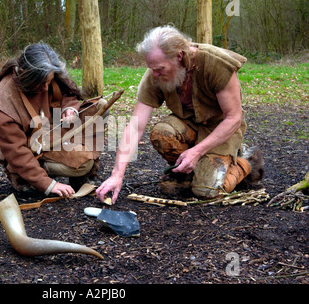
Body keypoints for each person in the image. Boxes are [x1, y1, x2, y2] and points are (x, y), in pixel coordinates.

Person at [96, 25, 264, 204]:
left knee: (206, 191)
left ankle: (246, 161)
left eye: (160, 68)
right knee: (162, 133)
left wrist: (197, 151)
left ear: (179, 56)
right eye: (152, 68)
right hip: (188, 125)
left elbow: (234, 118)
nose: (155, 74)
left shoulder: (216, 64)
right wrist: (117, 175)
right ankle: (190, 173)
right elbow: (135, 126)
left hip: (221, 128)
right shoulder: (155, 73)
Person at [0, 43, 105, 198]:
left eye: (49, 82)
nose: (46, 88)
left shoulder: (47, 75)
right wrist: (48, 184)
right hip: (31, 150)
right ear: (25, 75)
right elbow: (16, 151)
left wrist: (70, 108)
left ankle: (80, 176)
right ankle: (23, 178)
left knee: (99, 107)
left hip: (52, 135)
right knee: (83, 165)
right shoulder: (3, 101)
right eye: (42, 84)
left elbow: (68, 94)